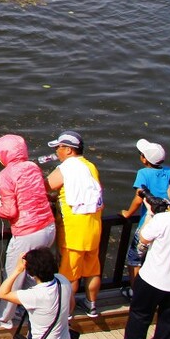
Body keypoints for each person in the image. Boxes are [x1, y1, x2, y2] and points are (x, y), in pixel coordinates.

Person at [0, 134, 57, 329]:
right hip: (48, 227)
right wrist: (2, 194)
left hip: (27, 232)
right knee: (35, 272)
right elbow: (30, 192)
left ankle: (3, 316)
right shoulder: (33, 167)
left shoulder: (5, 175)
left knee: (14, 273)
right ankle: (29, 306)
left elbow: (10, 211)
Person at [45, 130, 104, 317]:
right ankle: (91, 305)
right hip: (94, 227)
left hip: (74, 230)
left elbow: (45, 186)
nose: (57, 152)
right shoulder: (90, 166)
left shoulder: (66, 167)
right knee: (93, 269)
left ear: (69, 150)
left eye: (59, 148)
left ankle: (66, 312)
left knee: (69, 275)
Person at [119, 175, 170, 339]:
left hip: (152, 280)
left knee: (139, 318)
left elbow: (144, 239)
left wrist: (152, 215)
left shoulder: (163, 219)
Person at [120, 139, 170, 295]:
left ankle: (135, 292)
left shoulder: (143, 173)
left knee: (134, 258)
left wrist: (128, 213)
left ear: (144, 159)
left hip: (149, 222)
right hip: (167, 220)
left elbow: (139, 198)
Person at [0, 249, 72, 339]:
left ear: (32, 273)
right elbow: (71, 304)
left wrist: (18, 270)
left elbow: (2, 293)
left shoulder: (35, 295)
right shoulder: (63, 280)